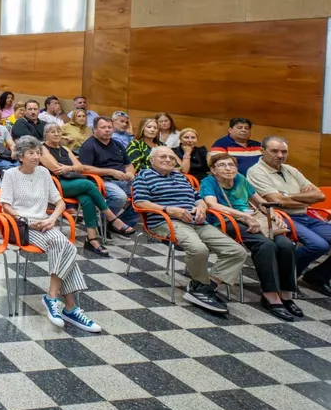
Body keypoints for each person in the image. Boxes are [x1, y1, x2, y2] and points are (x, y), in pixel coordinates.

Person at [0, 136, 102, 332]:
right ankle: (69, 308)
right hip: (23, 226)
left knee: (66, 247)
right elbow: (6, 206)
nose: (36, 156)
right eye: (31, 153)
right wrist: (29, 221)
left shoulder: (44, 173)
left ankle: (53, 298)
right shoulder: (11, 175)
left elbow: (60, 203)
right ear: (20, 156)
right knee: (66, 247)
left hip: (45, 224)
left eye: (38, 152)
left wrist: (52, 219)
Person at [133, 147, 248, 314]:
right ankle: (200, 285)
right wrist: (169, 209)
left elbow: (197, 198)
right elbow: (141, 202)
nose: (168, 160)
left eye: (172, 158)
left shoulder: (181, 177)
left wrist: (201, 208)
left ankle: (203, 287)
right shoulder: (143, 176)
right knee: (198, 249)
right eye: (163, 156)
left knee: (237, 251)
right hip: (166, 220)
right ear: (152, 160)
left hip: (197, 221)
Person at [200, 153, 301, 320]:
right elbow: (212, 204)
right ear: (213, 170)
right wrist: (243, 216)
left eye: (231, 165)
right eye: (222, 165)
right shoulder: (208, 182)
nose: (228, 168)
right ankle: (270, 296)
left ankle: (286, 294)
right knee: (265, 245)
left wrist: (274, 215)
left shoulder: (240, 179)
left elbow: (260, 202)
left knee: (285, 244)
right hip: (227, 220)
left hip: (253, 218)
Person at [247, 137, 331, 296]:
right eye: (274, 151)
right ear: (262, 151)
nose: (280, 155)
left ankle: (318, 276)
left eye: (284, 151)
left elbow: (319, 196)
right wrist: (303, 199)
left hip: (306, 216)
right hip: (280, 217)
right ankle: (287, 278)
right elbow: (277, 201)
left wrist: (289, 196)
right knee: (318, 245)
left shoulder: (290, 169)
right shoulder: (256, 171)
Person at [40, 124, 133, 256]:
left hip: (74, 181)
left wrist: (69, 168)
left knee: (87, 199)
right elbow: (56, 169)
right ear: (46, 135)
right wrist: (71, 168)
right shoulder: (42, 149)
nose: (56, 134)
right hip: (56, 184)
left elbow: (81, 167)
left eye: (58, 131)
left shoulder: (65, 148)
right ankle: (112, 218)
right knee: (89, 185)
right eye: (52, 132)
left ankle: (92, 239)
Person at [77, 117, 139, 226]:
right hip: (102, 180)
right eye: (103, 127)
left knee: (145, 195)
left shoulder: (117, 144)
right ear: (95, 129)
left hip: (123, 179)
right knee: (120, 197)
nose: (107, 130)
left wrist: (130, 173)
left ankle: (122, 223)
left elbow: (128, 164)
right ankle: (104, 224)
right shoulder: (88, 146)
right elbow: (85, 168)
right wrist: (110, 172)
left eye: (109, 127)